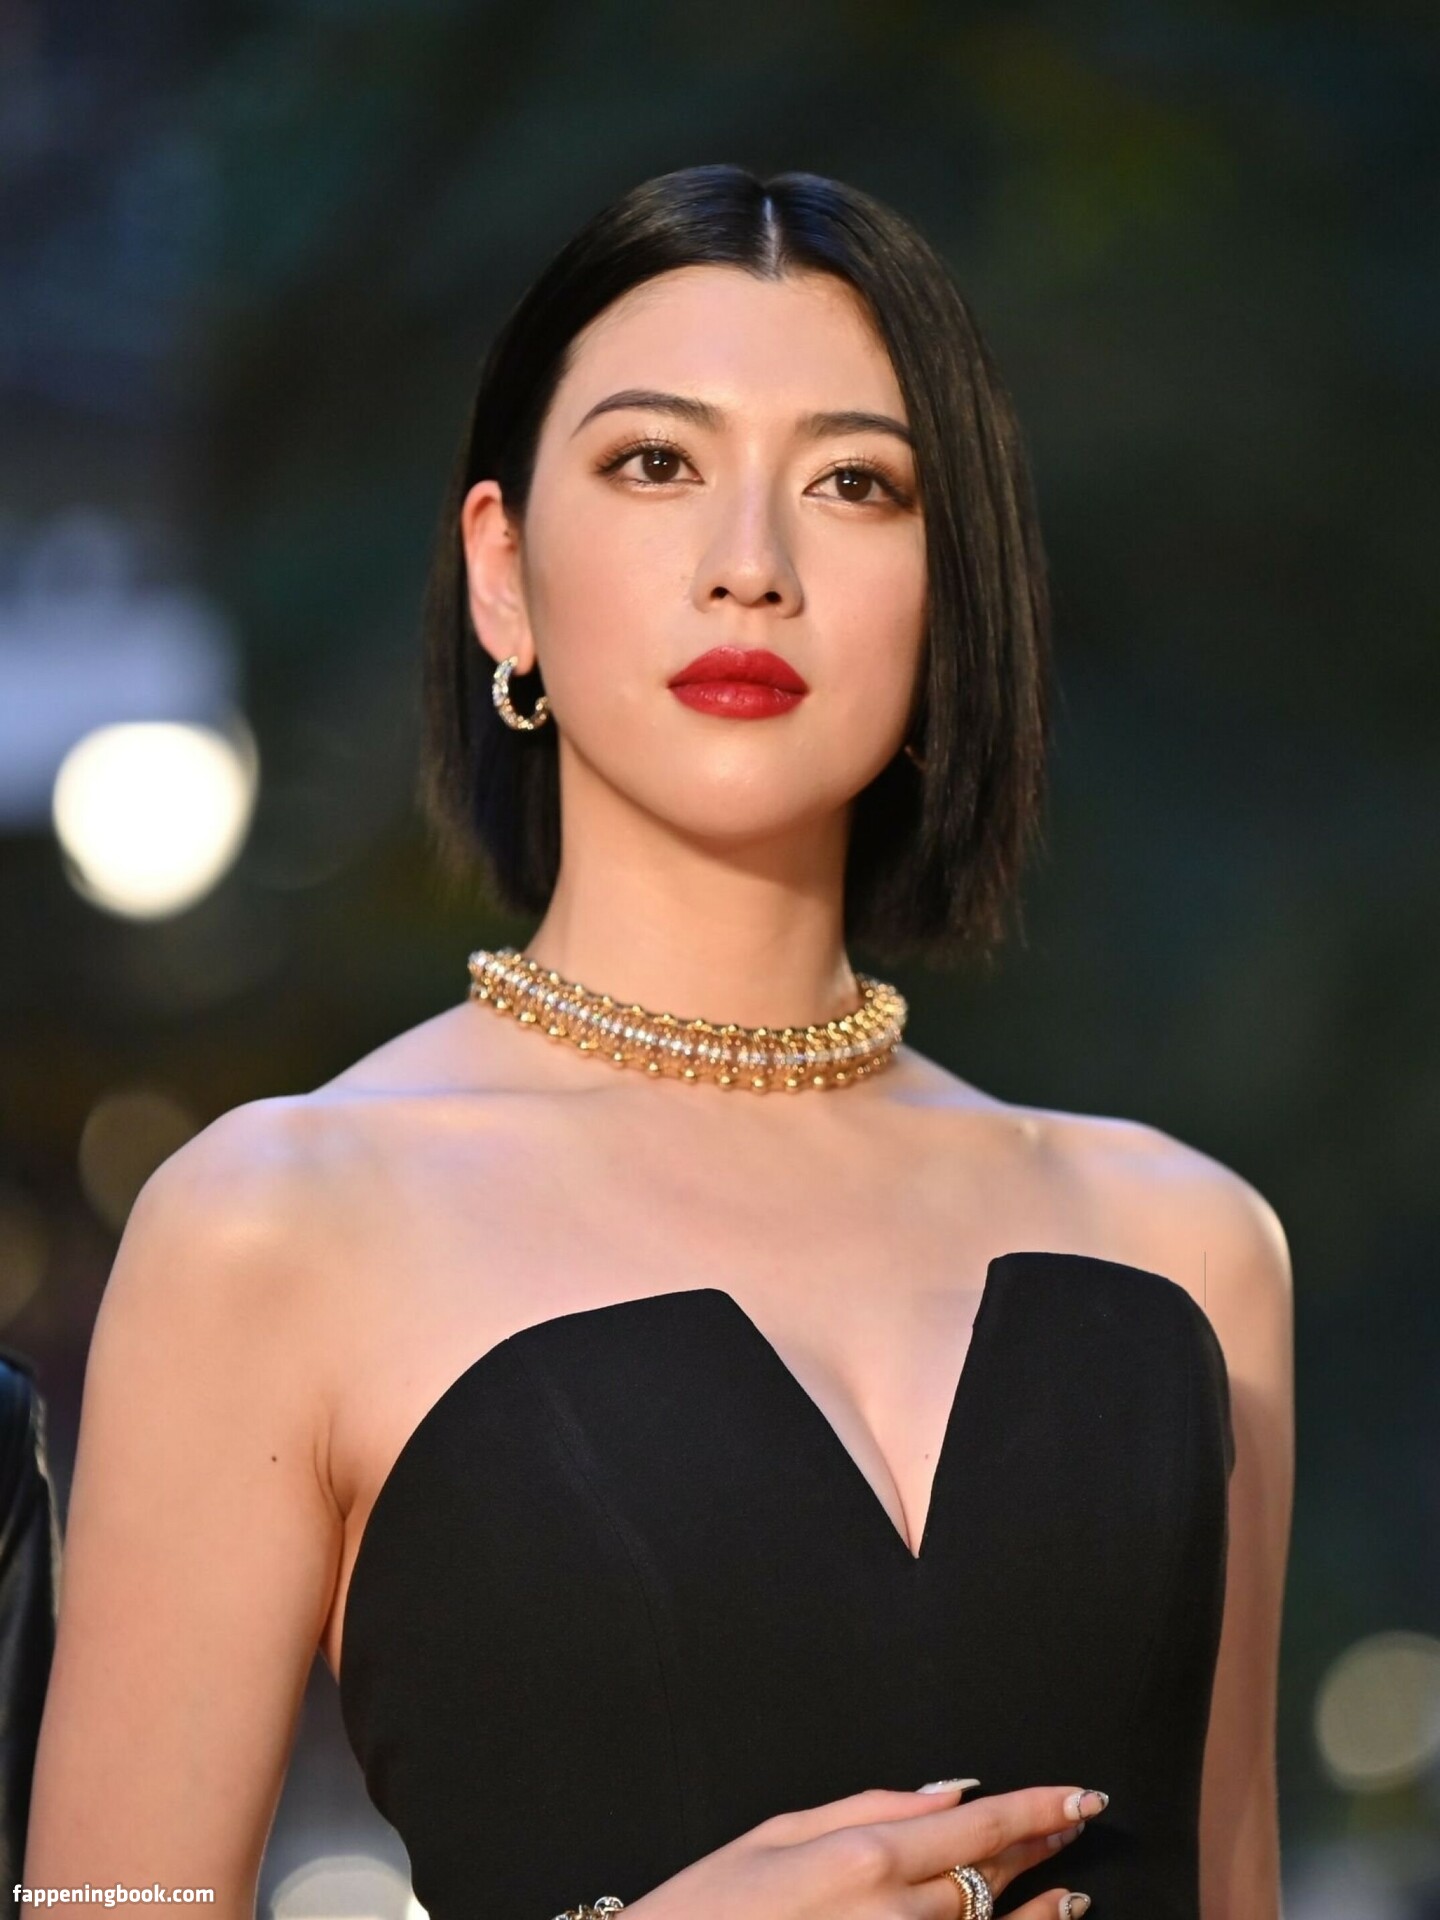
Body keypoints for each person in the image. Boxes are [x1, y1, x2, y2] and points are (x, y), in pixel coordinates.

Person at [23, 165, 1293, 1920]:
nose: (750, 566)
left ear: (953, 590)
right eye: (653, 463)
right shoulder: (276, 1225)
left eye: (855, 483)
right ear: (503, 573)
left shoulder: (1186, 1247)